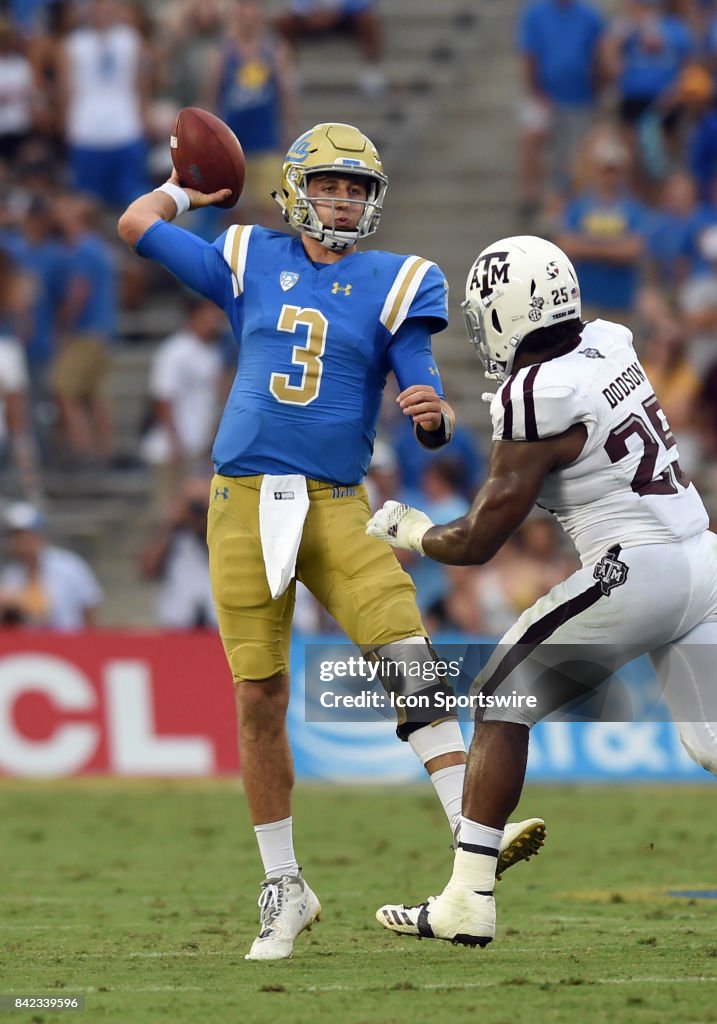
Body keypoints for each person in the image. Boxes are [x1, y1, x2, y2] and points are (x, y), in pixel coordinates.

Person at [117, 122, 544, 961]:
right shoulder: (247, 255)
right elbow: (136, 225)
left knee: (406, 651)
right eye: (329, 185)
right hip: (241, 499)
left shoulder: (397, 281)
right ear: (296, 191)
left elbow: (416, 369)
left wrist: (431, 413)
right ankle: (284, 885)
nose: (343, 199)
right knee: (257, 695)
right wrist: (188, 189)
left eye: (356, 188)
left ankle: (469, 830)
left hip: (334, 502)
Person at [367, 234, 717, 946]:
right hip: (702, 560)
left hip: (638, 569)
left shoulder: (537, 394)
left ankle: (467, 899)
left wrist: (408, 530)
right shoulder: (609, 340)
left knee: (501, 696)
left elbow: (477, 541)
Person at [0, 501, 102, 628]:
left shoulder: (69, 566)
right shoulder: (11, 575)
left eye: (26, 535)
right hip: (31, 645)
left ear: (38, 535)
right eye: (16, 536)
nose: (22, 541)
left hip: (70, 641)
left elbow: (89, 608)